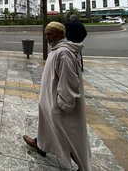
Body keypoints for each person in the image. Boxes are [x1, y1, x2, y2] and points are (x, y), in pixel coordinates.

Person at [23, 21, 91, 171]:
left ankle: (82, 166)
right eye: (46, 34)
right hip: (49, 102)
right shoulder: (57, 50)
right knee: (47, 128)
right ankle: (41, 145)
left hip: (60, 107)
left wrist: (62, 104)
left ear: (61, 34)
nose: (47, 37)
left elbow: (68, 83)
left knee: (69, 136)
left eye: (50, 34)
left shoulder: (64, 53)